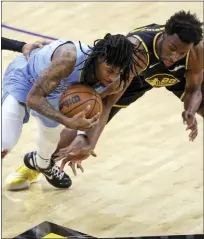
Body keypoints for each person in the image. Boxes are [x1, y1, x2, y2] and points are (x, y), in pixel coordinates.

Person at [6, 10, 204, 191]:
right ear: (163, 33)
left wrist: (190, 110)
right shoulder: (136, 51)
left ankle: (44, 157)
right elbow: (105, 100)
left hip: (175, 76)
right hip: (132, 78)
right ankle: (40, 162)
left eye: (181, 53)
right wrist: (87, 139)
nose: (175, 56)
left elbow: (194, 88)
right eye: (172, 48)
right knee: (81, 118)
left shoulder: (195, 51)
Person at [3, 33, 141, 190]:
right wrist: (66, 121)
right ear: (99, 58)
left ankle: (41, 163)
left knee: (50, 143)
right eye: (109, 70)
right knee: (5, 140)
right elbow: (34, 98)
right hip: (25, 78)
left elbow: (105, 107)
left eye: (118, 72)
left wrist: (88, 144)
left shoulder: (116, 82)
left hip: (57, 93)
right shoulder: (69, 59)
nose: (112, 77)